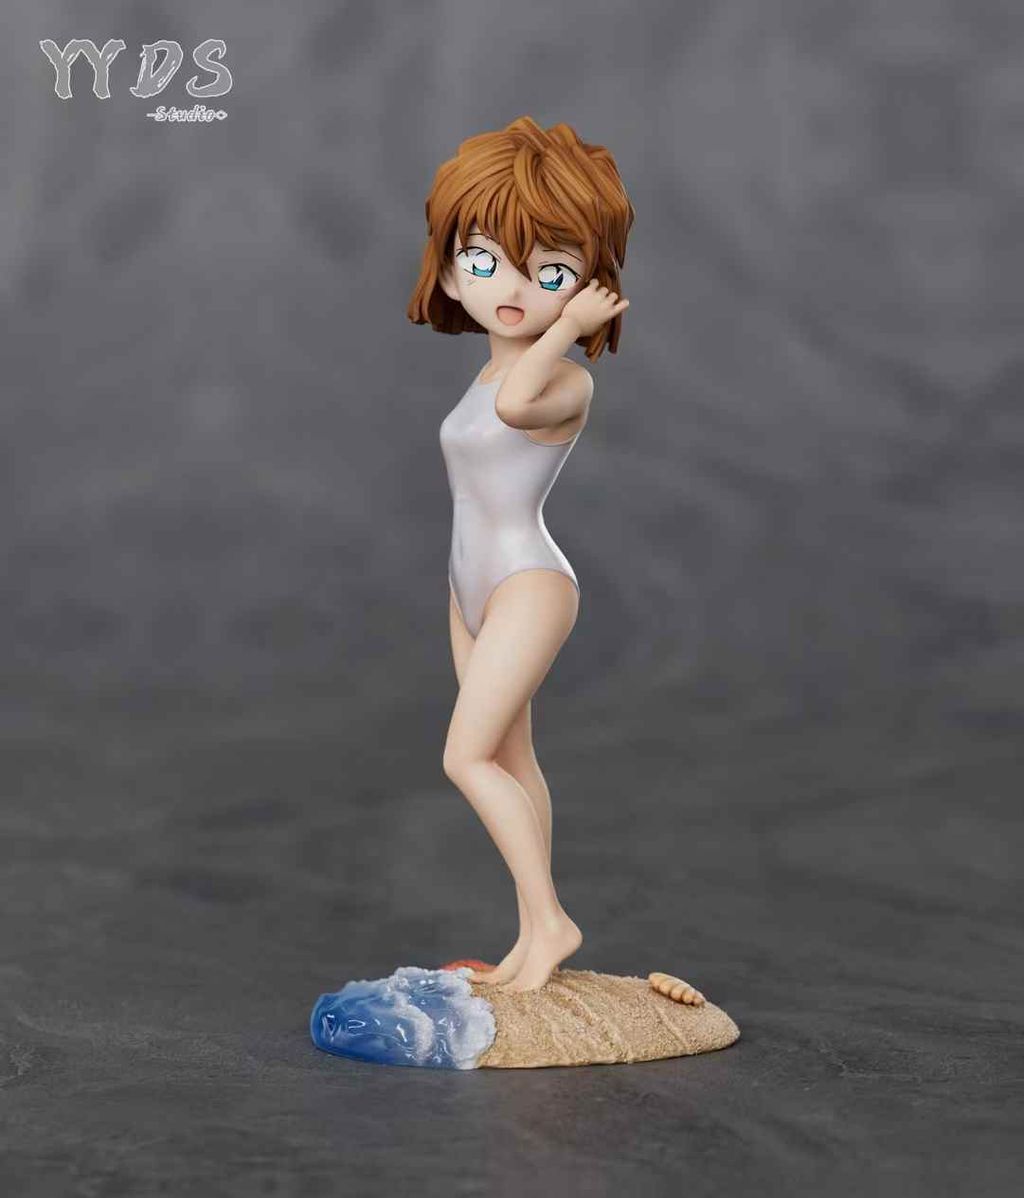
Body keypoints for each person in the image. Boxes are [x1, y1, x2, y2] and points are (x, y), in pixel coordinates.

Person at [408, 116, 634, 991]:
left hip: (528, 585)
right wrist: (456, 595)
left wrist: (565, 327)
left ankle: (551, 919)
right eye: (482, 258)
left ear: (588, 286)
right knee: (509, 760)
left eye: (549, 271)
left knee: (464, 758)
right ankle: (531, 939)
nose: (510, 288)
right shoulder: (489, 371)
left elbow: (515, 413)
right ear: (449, 267)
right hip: (469, 588)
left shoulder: (565, 378)